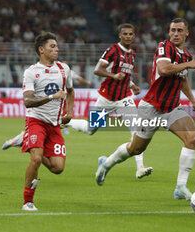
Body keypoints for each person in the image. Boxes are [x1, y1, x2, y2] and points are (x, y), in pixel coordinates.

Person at [95, 18, 195, 201]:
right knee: (135, 149)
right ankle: (107, 164)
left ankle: (181, 187)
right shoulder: (164, 47)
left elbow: (182, 79)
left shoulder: (186, 56)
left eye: (179, 30)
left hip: (172, 108)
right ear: (169, 33)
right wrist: (188, 65)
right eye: (173, 30)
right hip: (151, 107)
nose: (175, 34)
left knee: (192, 138)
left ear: (186, 33)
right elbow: (164, 69)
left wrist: (193, 101)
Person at [65, 23, 153, 179]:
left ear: (134, 36)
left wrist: (132, 85)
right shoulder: (113, 50)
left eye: (131, 34)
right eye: (125, 33)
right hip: (105, 99)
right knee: (91, 130)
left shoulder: (132, 54)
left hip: (124, 99)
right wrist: (113, 76)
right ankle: (67, 122)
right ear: (120, 35)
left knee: (137, 131)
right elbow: (97, 69)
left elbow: (125, 75)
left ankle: (140, 167)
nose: (128, 36)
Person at [20, 32, 74, 211]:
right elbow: (28, 101)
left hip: (54, 124)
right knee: (36, 159)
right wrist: (52, 96)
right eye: (52, 46)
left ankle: (24, 141)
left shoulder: (64, 70)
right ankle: (28, 201)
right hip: (36, 121)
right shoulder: (31, 72)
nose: (56, 49)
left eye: (57, 46)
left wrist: (70, 111)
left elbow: (70, 91)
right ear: (41, 50)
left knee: (57, 168)